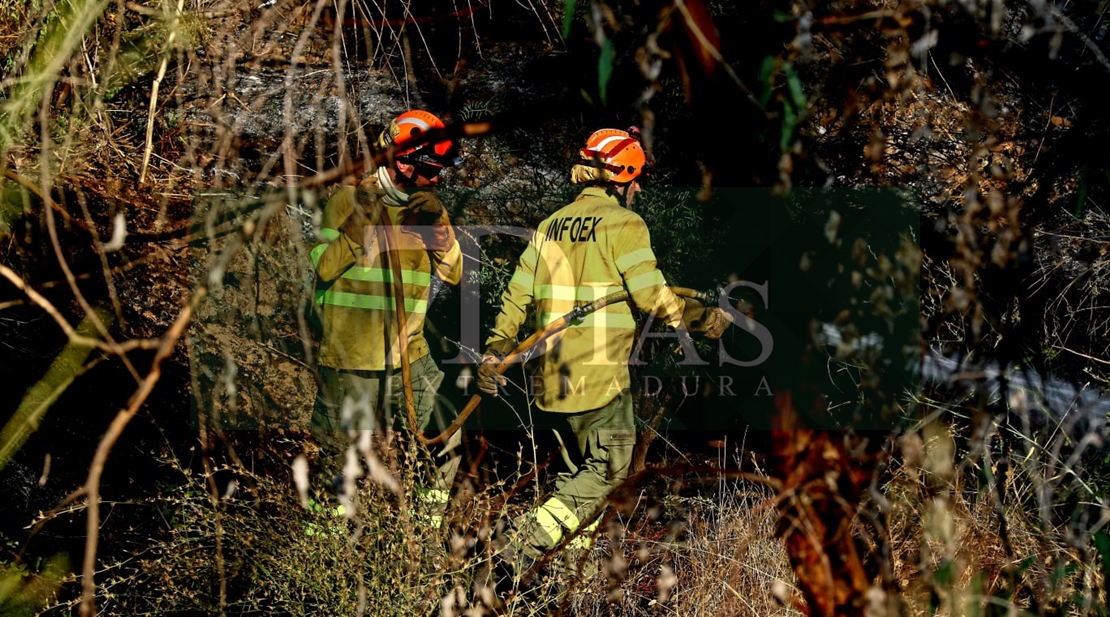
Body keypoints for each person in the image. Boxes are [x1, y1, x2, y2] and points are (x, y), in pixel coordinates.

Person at [476, 127, 730, 577]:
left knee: (577, 479)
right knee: (611, 468)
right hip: (598, 377)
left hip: (550, 378)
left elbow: (516, 295)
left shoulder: (549, 225)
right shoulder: (623, 224)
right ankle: (520, 545)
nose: (638, 191)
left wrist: (497, 348)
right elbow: (652, 296)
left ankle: (564, 580)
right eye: (637, 182)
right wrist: (701, 317)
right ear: (624, 177)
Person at [310, 109, 464, 528]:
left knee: (447, 441)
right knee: (336, 466)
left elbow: (454, 272)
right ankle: (324, 551)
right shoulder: (346, 201)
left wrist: (438, 225)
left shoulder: (427, 210)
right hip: (350, 361)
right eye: (431, 169)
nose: (437, 178)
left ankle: (423, 533)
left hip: (409, 358)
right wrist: (359, 224)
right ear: (402, 161)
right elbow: (323, 266)